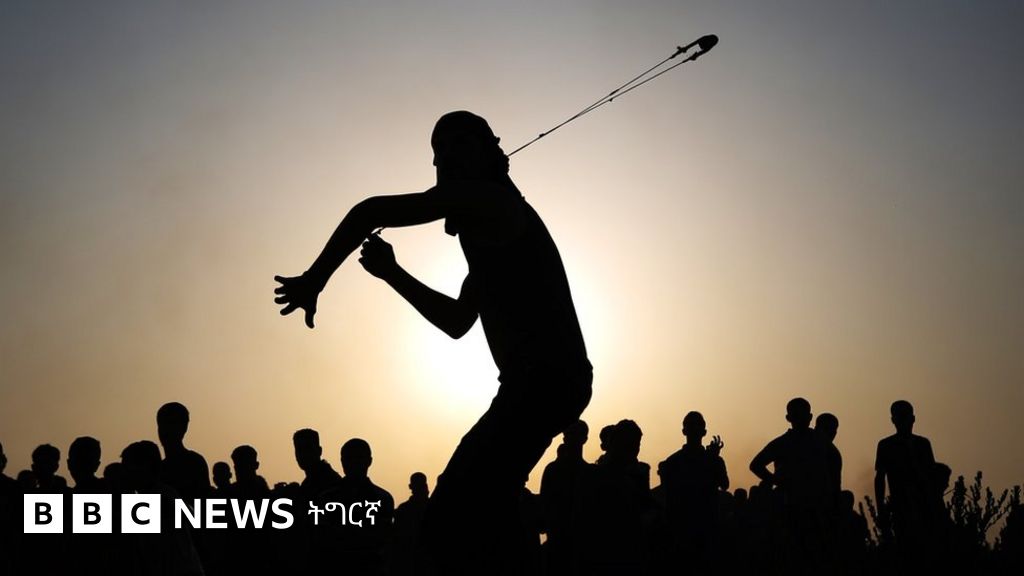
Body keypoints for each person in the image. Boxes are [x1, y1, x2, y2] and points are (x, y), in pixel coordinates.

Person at [275, 111, 592, 574]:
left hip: (544, 383)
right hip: (538, 387)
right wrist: (392, 273)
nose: (445, 162)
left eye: (458, 147)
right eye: (439, 154)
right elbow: (457, 321)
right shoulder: (490, 239)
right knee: (485, 509)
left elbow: (370, 211)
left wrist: (315, 279)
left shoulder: (493, 202)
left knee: (451, 517)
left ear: (487, 154)